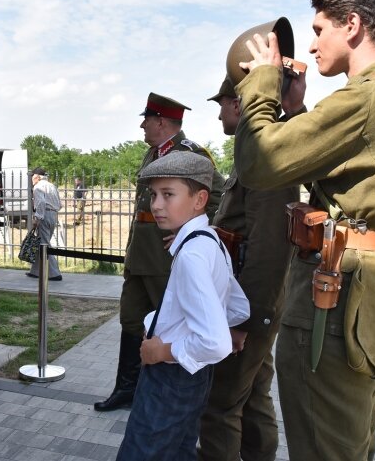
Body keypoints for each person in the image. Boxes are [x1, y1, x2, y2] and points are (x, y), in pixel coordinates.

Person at [234, 0, 375, 460]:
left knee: (322, 447)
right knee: (350, 443)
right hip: (373, 302)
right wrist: (301, 114)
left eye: (319, 30)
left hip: (337, 300)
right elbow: (356, 187)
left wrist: (261, 82)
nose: (311, 46)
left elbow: (259, 162)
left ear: (353, 25)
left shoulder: (367, 97)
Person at [95, 92, 225, 412]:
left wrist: (189, 231)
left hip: (167, 259)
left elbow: (218, 196)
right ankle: (127, 389)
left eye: (147, 119)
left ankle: (173, 398)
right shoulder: (153, 153)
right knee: (131, 319)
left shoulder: (191, 154)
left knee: (170, 327)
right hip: (141, 254)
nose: (142, 125)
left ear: (162, 122)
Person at [116, 151, 249, 460]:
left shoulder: (191, 254)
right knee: (178, 451)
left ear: (199, 199)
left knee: (142, 452)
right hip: (194, 376)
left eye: (168, 194)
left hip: (170, 375)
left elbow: (215, 344)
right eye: (153, 194)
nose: (157, 204)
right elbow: (238, 305)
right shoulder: (210, 240)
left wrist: (162, 351)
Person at [197, 77, 298, 461]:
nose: (220, 111)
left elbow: (269, 251)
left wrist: (242, 321)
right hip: (246, 301)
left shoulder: (268, 159)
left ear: (239, 105)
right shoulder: (254, 155)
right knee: (252, 394)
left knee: (220, 405)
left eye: (222, 103)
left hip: (247, 305)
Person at [27, 167, 63, 281]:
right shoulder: (52, 186)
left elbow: (41, 202)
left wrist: (37, 218)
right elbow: (60, 204)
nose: (31, 179)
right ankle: (35, 271)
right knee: (42, 243)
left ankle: (55, 273)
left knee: (44, 244)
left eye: (32, 176)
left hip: (44, 215)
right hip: (53, 216)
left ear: (37, 177)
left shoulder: (38, 187)